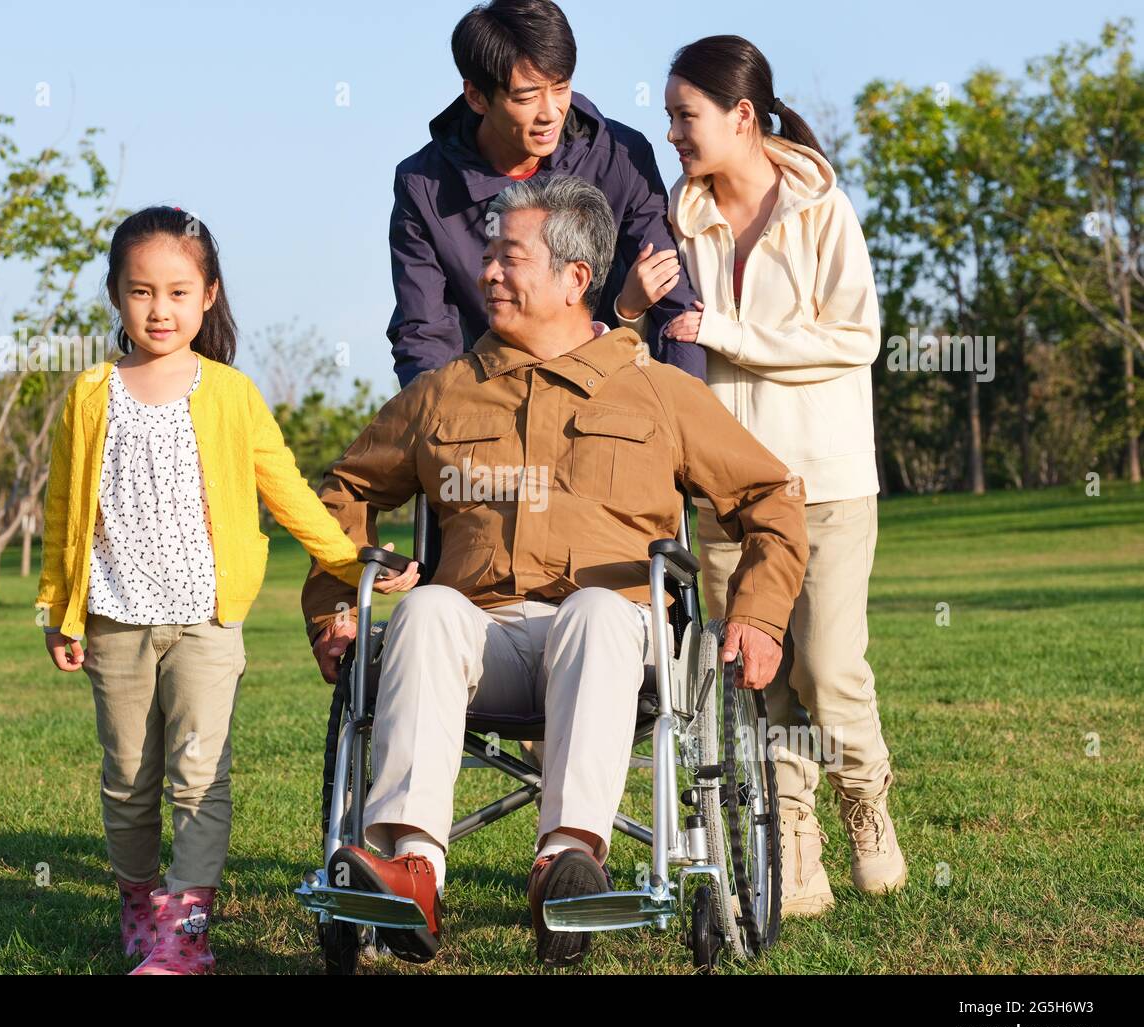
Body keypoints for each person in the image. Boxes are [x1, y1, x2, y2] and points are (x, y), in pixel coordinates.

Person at [304, 174, 808, 967]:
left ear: (577, 278)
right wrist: (336, 603)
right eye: (489, 257)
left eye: (509, 259)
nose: (487, 273)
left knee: (600, 612)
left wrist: (758, 611)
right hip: (484, 642)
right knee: (429, 608)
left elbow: (771, 495)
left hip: (619, 647)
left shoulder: (658, 394)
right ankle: (410, 871)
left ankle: (568, 866)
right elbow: (347, 490)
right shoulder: (445, 396)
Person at [34, 206, 417, 975]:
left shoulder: (232, 394)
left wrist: (350, 560)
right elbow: (64, 513)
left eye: (178, 291)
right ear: (115, 295)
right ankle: (140, 904)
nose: (160, 309)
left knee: (200, 779)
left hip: (208, 623)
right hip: (114, 620)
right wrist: (56, 608)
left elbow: (287, 492)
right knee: (128, 781)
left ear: (209, 295)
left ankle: (187, 931)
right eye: (141, 291)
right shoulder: (89, 393)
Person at [615, 35, 907, 916]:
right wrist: (633, 306)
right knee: (756, 673)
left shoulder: (824, 212)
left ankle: (866, 799)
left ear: (742, 116)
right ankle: (796, 847)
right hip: (728, 499)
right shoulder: (681, 214)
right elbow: (661, 341)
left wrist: (730, 333)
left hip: (827, 483)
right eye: (668, 116)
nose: (671, 132)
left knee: (826, 669)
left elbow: (857, 339)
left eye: (685, 116)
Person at [388, 0, 704, 388]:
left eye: (561, 87)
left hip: (611, 396)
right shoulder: (422, 185)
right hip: (491, 400)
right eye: (526, 97)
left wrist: (682, 416)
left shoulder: (622, 157)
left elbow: (675, 308)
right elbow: (425, 335)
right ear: (476, 97)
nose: (550, 112)